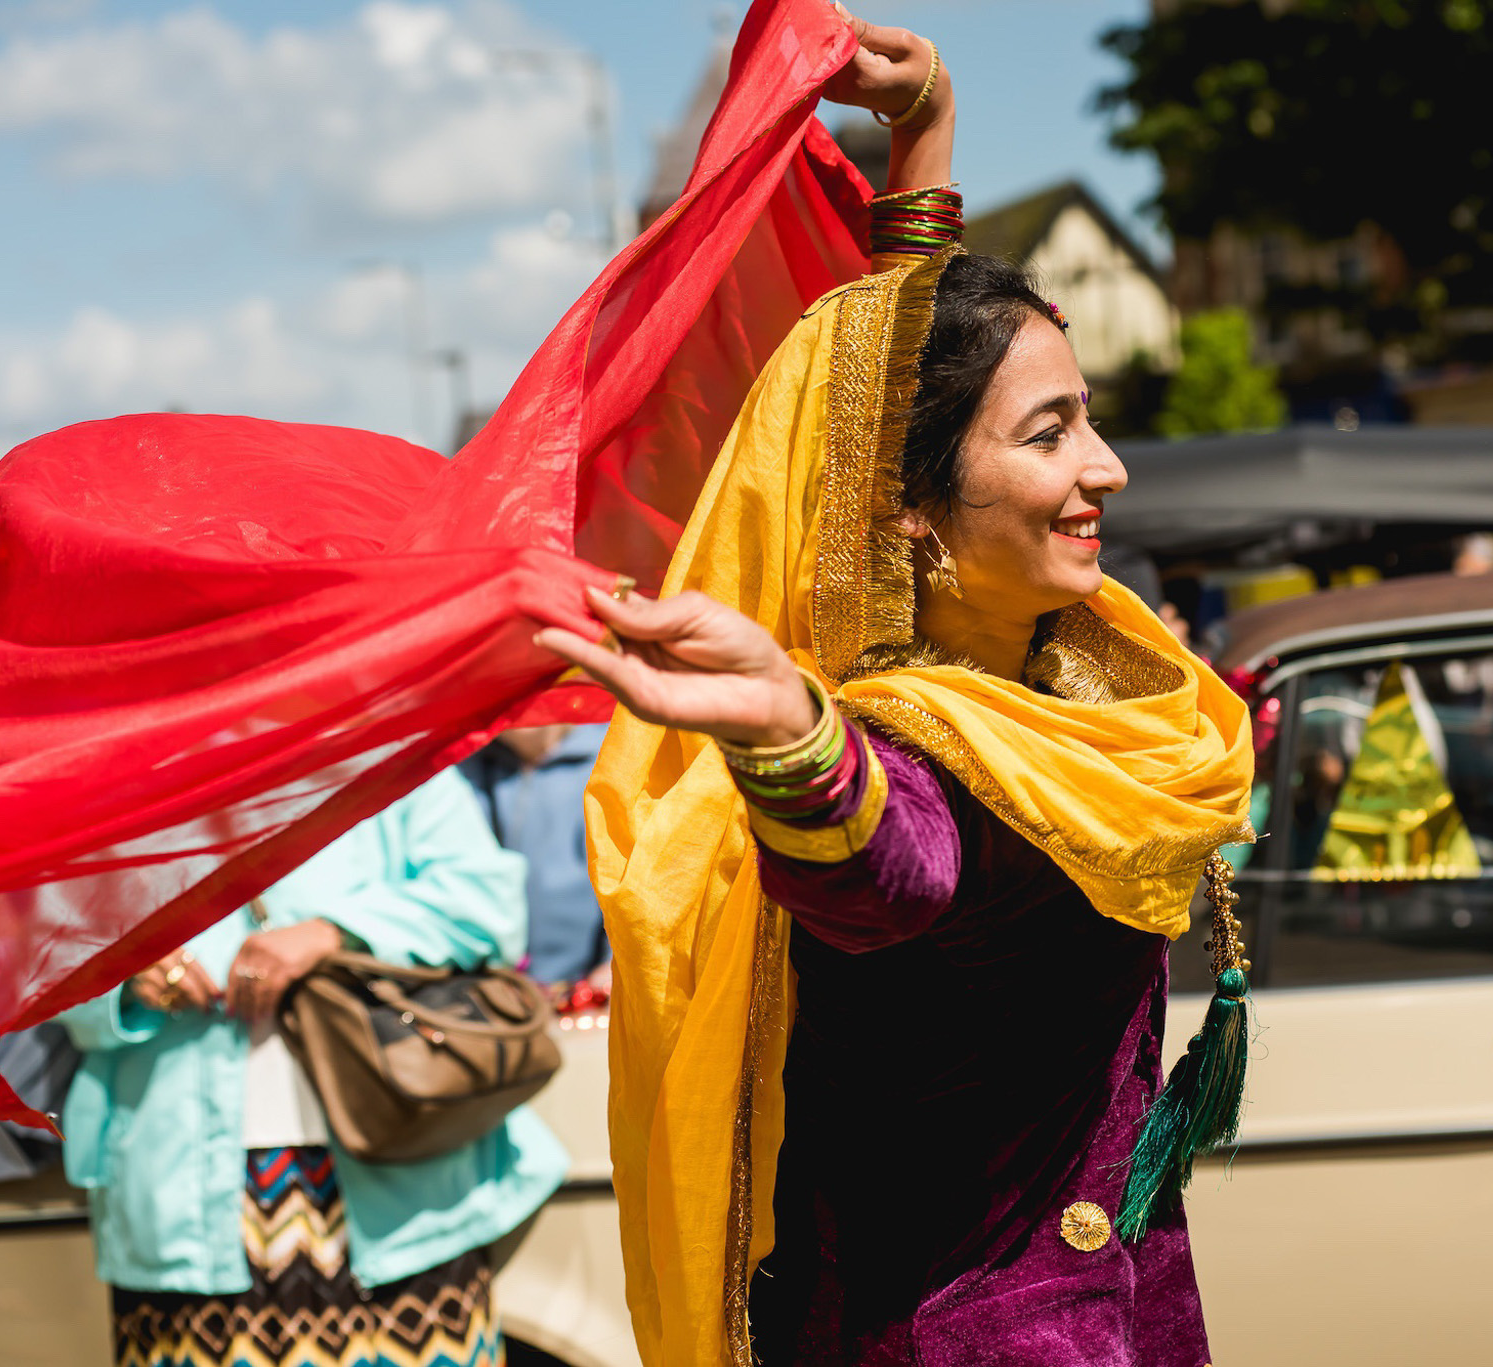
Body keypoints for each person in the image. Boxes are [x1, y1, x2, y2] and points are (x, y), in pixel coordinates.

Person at [537, 12, 1254, 1365]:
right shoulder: (919, 743)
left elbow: (896, 371)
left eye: (1090, 417)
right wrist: (791, 732)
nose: (1105, 468)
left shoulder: (1076, 690)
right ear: (915, 518)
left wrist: (922, 144)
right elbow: (892, 869)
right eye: (1053, 434)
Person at [53, 769, 567, 1367]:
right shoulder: (112, 785)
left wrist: (332, 934)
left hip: (400, 1186)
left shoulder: (395, 756)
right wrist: (126, 976)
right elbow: (39, 964)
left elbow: (488, 905)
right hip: (179, 1199)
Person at [457, 723, 614, 1004]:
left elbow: (640, 871)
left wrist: (615, 961)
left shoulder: (612, 755)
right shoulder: (467, 768)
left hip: (587, 988)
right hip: (493, 987)